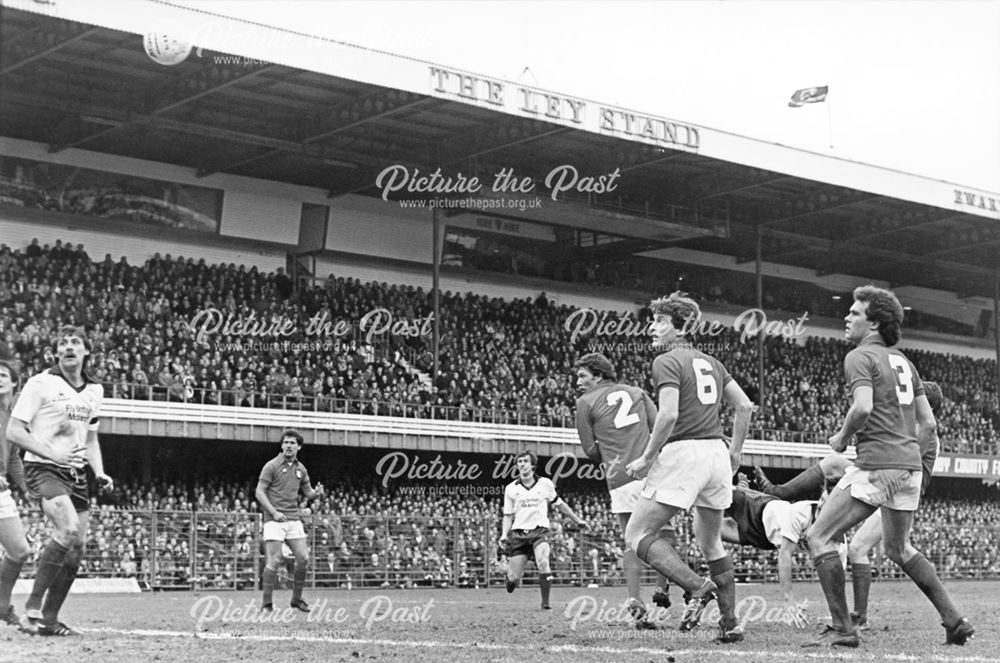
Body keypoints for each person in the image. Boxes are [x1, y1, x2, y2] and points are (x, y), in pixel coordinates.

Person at [803, 286, 972, 648]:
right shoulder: (905, 363)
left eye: (855, 313)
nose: (847, 318)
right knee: (899, 549)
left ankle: (843, 628)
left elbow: (862, 408)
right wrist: (907, 454)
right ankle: (954, 620)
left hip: (878, 464)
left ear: (875, 323)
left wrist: (843, 437)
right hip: (910, 468)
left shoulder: (860, 357)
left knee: (818, 537)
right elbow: (928, 424)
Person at [624, 291, 753, 644]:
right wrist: (736, 453)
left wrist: (647, 458)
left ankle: (697, 587)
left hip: (685, 453)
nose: (653, 327)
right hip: (716, 454)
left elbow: (668, 414)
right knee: (712, 545)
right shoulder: (713, 362)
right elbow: (744, 407)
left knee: (635, 535)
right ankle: (731, 623)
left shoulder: (666, 361)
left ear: (679, 328)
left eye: (660, 321)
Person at [6, 326, 113, 636]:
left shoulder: (95, 390)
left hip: (76, 473)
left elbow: (91, 439)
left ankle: (50, 619)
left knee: (77, 545)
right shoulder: (41, 383)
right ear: (55, 353)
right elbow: (15, 431)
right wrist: (52, 454)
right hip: (43, 469)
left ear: (86, 351)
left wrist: (100, 471)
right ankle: (32, 609)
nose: (69, 346)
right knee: (67, 529)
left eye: (75, 342)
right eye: (63, 343)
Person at [574, 352, 674, 627]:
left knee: (632, 539)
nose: (578, 382)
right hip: (651, 472)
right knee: (666, 533)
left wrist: (611, 453)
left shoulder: (585, 402)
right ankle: (662, 588)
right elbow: (662, 426)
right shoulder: (638, 392)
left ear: (599, 374)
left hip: (619, 477)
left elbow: (590, 449)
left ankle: (634, 598)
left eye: (583, 376)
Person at [500, 450, 589, 610]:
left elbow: (560, 504)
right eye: (519, 462)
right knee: (513, 578)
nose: (522, 464)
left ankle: (545, 603)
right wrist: (503, 534)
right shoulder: (510, 488)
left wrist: (577, 520)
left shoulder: (545, 484)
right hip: (519, 534)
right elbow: (507, 515)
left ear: (532, 465)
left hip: (540, 531)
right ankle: (510, 580)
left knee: (543, 561)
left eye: (525, 461)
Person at [722, 480, 815, 622]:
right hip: (758, 509)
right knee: (718, 489)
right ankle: (739, 487)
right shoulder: (804, 511)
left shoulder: (838, 540)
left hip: (765, 539)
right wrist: (789, 599)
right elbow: (785, 554)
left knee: (712, 531)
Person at [255, 429, 324, 612]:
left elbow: (308, 493)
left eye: (292, 443)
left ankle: (296, 599)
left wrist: (316, 493)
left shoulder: (301, 469)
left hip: (293, 519)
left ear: (299, 447)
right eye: (286, 442)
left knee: (303, 558)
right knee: (275, 560)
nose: (288, 446)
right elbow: (259, 492)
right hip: (273, 520)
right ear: (281, 445)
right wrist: (274, 512)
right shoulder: (271, 465)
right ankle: (267, 603)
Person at [0, 361, 32, 627]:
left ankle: (1, 606)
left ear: (13, 383)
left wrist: (26, 488)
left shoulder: (15, 417)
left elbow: (12, 460)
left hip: (1, 488)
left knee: (19, 550)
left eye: (2, 375)